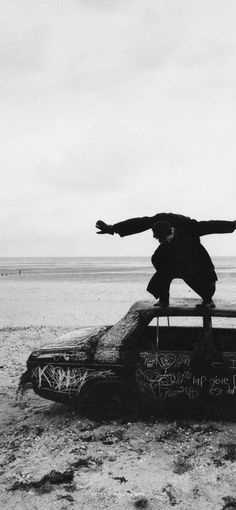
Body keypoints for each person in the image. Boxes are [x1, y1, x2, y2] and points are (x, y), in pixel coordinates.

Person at [96, 213, 236, 307]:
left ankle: (207, 299)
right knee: (158, 259)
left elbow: (211, 225)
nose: (165, 241)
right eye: (160, 240)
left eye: (166, 238)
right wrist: (112, 228)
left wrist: (233, 225)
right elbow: (137, 223)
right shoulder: (156, 221)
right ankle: (164, 299)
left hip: (193, 256)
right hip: (174, 256)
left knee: (191, 273)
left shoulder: (189, 226)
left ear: (173, 231)